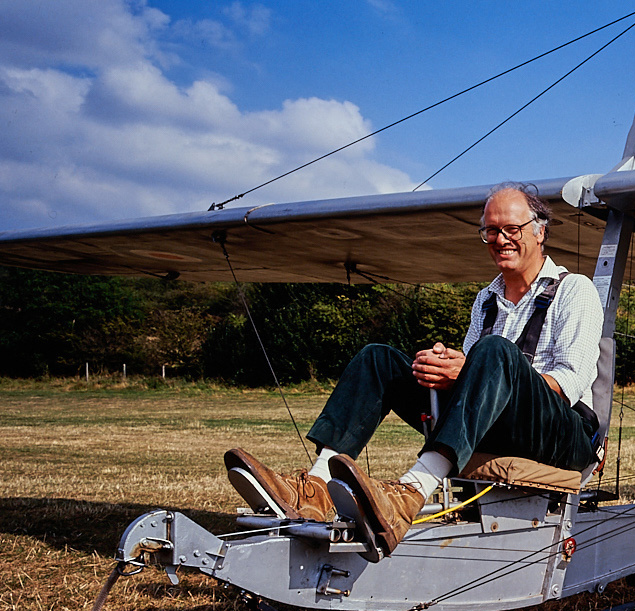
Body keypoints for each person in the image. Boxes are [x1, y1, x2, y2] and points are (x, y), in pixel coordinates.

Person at [225, 183, 604, 558]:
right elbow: (474, 379)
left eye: (512, 229)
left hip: (563, 433)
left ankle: (410, 492)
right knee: (380, 359)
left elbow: (569, 381)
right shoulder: (486, 299)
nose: (500, 238)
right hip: (498, 424)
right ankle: (316, 487)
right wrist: (439, 369)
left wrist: (472, 367)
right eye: (491, 230)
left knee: (495, 351)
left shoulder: (575, 290)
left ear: (539, 231)